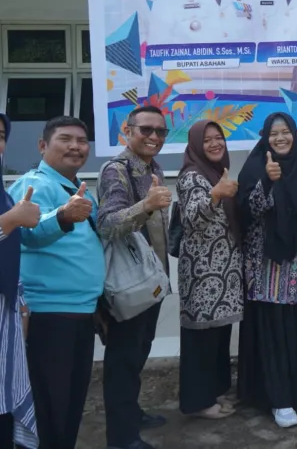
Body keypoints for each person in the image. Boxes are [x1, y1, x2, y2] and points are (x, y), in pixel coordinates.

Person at [7, 116, 105, 449]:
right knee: (48, 409)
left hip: (80, 313)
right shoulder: (32, 184)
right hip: (48, 316)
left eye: (82, 141)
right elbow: (24, 234)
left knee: (71, 405)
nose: (76, 147)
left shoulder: (75, 188)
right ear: (42, 146)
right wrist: (62, 216)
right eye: (65, 139)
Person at [236, 112, 297, 428]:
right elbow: (248, 211)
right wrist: (267, 180)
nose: (280, 138)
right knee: (271, 329)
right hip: (264, 266)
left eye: (285, 132)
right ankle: (278, 398)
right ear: (266, 137)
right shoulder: (254, 166)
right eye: (273, 133)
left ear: (294, 134)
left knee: (296, 326)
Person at [97, 105, 172, 449]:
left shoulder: (152, 167)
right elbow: (107, 224)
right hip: (128, 285)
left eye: (161, 131)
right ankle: (122, 437)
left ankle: (131, 413)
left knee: (139, 351)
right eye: (146, 130)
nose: (154, 136)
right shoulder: (117, 170)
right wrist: (147, 205)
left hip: (150, 282)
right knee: (123, 361)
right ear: (128, 131)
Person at [176, 120, 243, 420]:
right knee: (201, 339)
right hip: (203, 272)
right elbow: (192, 219)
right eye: (207, 140)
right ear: (195, 145)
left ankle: (214, 391)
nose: (215, 144)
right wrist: (216, 194)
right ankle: (199, 401)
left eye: (219, 138)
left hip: (223, 271)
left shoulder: (214, 172)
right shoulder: (192, 175)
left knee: (218, 335)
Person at [0, 113, 38, 449]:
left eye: (0, 136)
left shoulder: (3, 193)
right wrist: (10, 220)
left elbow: (11, 254)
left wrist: (21, 302)